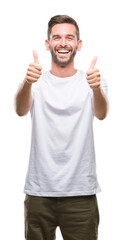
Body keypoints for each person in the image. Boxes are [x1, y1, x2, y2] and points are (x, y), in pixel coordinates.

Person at [15, 15, 108, 240]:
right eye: (57, 37)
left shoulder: (92, 81)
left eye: (69, 37)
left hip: (81, 193)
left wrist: (96, 88)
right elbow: (19, 109)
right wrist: (28, 82)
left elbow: (102, 114)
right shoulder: (34, 81)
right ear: (48, 44)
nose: (63, 43)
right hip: (39, 192)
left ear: (79, 44)